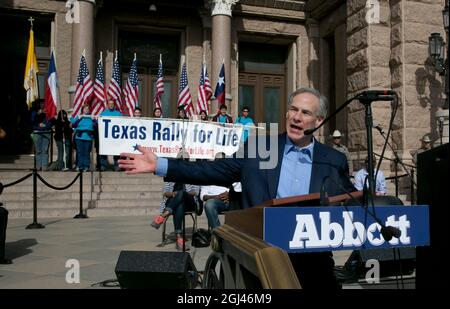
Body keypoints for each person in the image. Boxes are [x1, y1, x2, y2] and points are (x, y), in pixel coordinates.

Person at [119, 87, 355, 289]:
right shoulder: (260, 148)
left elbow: (350, 203)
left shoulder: (333, 160)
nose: (296, 117)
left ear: (319, 121)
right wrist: (160, 164)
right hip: (262, 256)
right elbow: (210, 170)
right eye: (293, 109)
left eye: (305, 113)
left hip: (314, 262)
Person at [70, 105, 95, 172]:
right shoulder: (79, 117)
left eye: (88, 109)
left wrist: (93, 120)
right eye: (85, 109)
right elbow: (73, 125)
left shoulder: (90, 117)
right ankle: (79, 166)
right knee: (79, 152)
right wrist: (78, 119)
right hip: (79, 137)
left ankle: (86, 166)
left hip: (88, 137)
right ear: (82, 110)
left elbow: (95, 126)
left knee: (86, 152)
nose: (87, 110)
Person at [99, 100, 122, 171]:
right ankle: (103, 165)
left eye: (112, 104)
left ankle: (116, 165)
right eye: (110, 104)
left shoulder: (118, 113)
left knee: (116, 151)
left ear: (114, 105)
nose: (111, 105)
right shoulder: (103, 113)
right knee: (104, 150)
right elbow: (99, 123)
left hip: (115, 136)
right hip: (105, 136)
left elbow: (122, 123)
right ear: (107, 105)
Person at [30, 100, 53, 171]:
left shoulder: (48, 113)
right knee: (38, 150)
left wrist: (45, 126)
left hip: (46, 133)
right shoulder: (34, 112)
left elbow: (51, 122)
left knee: (45, 150)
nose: (43, 105)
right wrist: (37, 114)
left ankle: (44, 166)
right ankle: (38, 166)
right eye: (41, 104)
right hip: (37, 133)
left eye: (44, 104)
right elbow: (32, 122)